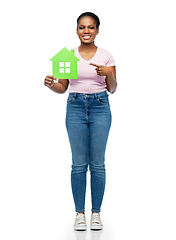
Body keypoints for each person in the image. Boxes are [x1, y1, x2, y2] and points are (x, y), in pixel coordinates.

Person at [44, 12, 117, 231]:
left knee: (97, 163)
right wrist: (51, 84)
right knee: (78, 164)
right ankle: (80, 214)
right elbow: (62, 87)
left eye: (91, 27)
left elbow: (113, 88)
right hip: (74, 107)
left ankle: (96, 213)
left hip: (101, 107)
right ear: (76, 30)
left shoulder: (107, 55)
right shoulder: (66, 55)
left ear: (97, 30)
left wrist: (108, 74)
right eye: (82, 27)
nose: (86, 31)